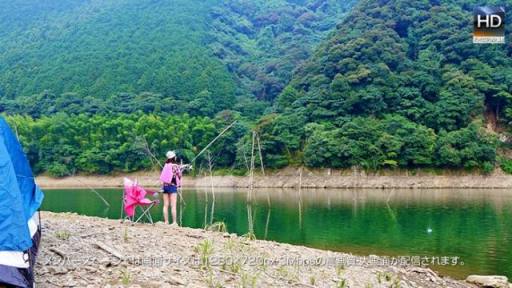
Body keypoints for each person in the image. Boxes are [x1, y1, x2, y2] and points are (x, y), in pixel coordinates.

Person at [160, 150, 182, 225]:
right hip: (172, 187)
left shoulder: (165, 166)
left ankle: (166, 221)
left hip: (165, 187)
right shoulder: (175, 166)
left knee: (165, 205)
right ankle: (174, 222)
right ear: (173, 157)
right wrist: (180, 170)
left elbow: (162, 178)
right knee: (173, 206)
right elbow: (179, 176)